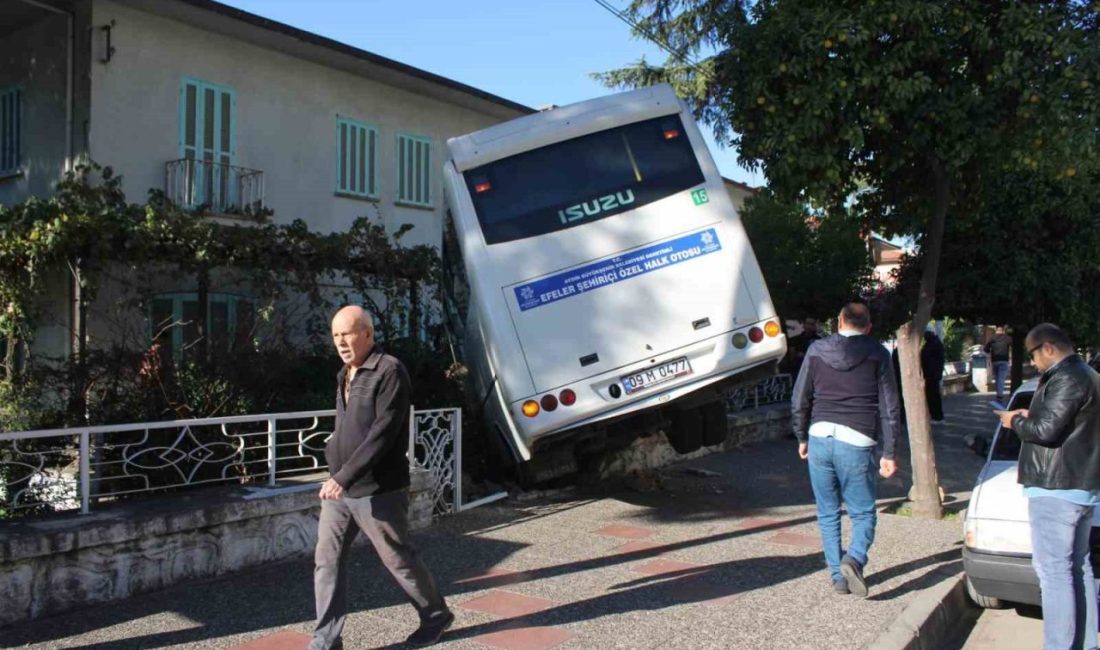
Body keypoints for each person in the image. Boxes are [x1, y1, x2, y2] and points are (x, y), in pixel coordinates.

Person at [310, 305, 453, 649]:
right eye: (335, 336)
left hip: (378, 489)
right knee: (326, 560)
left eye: (348, 333)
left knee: (398, 559)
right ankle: (326, 639)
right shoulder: (345, 373)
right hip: (341, 490)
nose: (341, 342)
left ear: (368, 334)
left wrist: (343, 475)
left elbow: (383, 433)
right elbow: (345, 425)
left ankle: (435, 615)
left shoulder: (389, 371)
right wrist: (334, 458)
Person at [996, 323, 1100, 650]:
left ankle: (1059, 645)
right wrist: (1033, 412)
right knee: (1078, 568)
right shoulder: (1089, 375)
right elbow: (1066, 423)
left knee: (1054, 574)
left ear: (1049, 347)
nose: (1033, 362)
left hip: (1056, 487)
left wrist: (1015, 420)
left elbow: (1045, 431)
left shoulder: (1067, 377)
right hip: (1080, 487)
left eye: (1033, 354)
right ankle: (1084, 643)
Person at [791, 302, 901, 597]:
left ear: (839, 322)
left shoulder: (816, 350)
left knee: (827, 511)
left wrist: (802, 436)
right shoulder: (879, 353)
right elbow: (889, 407)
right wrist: (889, 452)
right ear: (868, 326)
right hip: (858, 438)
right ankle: (854, 559)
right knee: (863, 512)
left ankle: (839, 578)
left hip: (820, 435)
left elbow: (800, 396)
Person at [920, 331, 946, 423]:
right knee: (932, 396)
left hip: (932, 375)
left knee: (933, 396)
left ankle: (937, 416)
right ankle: (936, 415)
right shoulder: (933, 342)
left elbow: (925, 355)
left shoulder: (933, 344)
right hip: (932, 374)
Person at [984, 326, 1011, 402]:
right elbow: (1013, 344)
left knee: (997, 378)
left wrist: (991, 351)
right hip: (1004, 361)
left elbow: (986, 349)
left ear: (996, 330)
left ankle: (998, 394)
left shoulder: (992, 338)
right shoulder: (1007, 338)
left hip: (995, 361)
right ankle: (1000, 395)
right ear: (1003, 330)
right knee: (1001, 378)